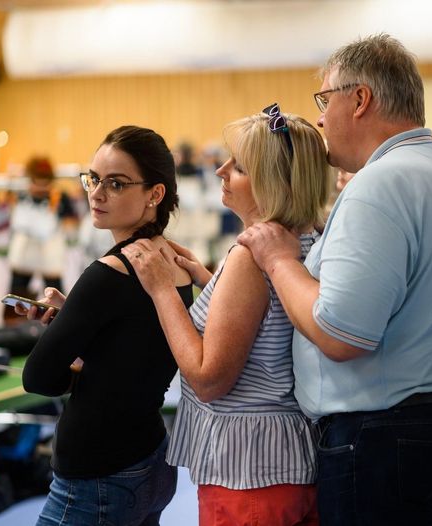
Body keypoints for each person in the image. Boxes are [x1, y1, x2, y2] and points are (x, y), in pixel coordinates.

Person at [239, 34, 432, 525]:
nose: (318, 118)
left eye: (324, 100)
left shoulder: (380, 184)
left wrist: (280, 261)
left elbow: (341, 333)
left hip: (389, 436)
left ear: (359, 100)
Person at [121, 104, 329, 525]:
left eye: (239, 167)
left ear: (272, 183)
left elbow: (208, 377)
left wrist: (163, 290)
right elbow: (270, 322)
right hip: (291, 462)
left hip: (249, 476)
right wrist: (210, 281)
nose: (221, 171)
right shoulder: (308, 237)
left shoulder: (250, 257)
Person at [21, 125, 193, 526]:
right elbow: (132, 349)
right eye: (94, 178)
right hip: (150, 459)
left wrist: (75, 362)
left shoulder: (107, 274)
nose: (96, 194)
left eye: (115, 184)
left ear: (155, 194)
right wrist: (78, 322)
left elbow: (39, 378)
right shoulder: (172, 261)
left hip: (98, 478)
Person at [7, 156, 77, 300]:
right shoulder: (21, 195)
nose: (40, 187)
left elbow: (72, 221)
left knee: (54, 295)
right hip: (24, 253)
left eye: (45, 182)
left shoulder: (59, 197)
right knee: (17, 297)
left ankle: (59, 321)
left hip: (50, 253)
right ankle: (15, 321)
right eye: (36, 181)